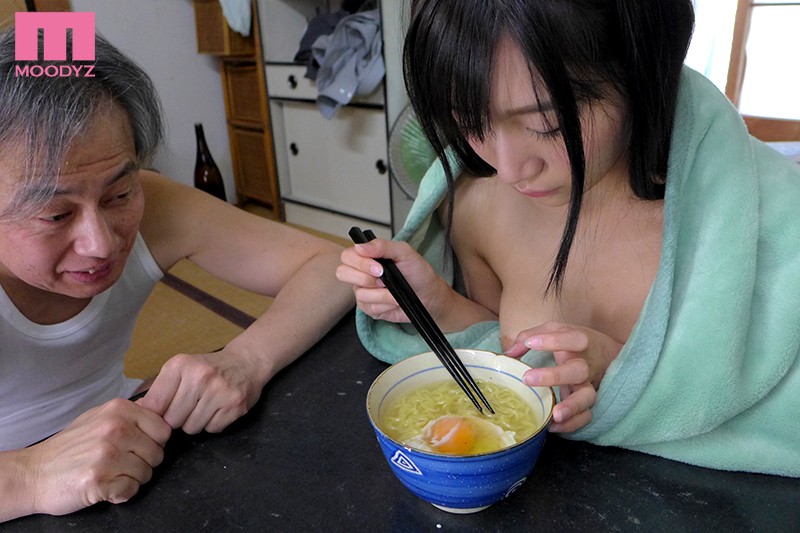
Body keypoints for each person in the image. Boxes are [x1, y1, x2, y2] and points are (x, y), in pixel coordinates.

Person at [337, 0, 800, 477]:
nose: (509, 169)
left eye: (547, 124)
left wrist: (618, 378)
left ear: (638, 74)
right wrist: (439, 304)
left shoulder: (757, 221)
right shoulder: (475, 201)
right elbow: (501, 348)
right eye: (470, 121)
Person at [0, 29, 353, 522]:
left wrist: (246, 358)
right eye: (55, 215)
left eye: (119, 195)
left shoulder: (156, 205)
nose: (101, 243)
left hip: (128, 443)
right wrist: (31, 475)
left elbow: (335, 266)